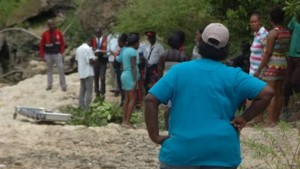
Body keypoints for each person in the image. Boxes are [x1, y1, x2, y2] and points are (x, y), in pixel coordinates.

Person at [145, 23, 273, 168]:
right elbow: (267, 93)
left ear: (200, 43)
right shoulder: (234, 75)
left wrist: (155, 136)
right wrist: (244, 118)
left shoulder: (179, 71)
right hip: (222, 154)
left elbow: (150, 100)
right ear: (226, 48)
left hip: (180, 154)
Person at [254, 7, 291, 126]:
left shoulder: (272, 33)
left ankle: (271, 120)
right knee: (279, 91)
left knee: (272, 92)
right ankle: (276, 119)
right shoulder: (286, 32)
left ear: (271, 20)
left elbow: (267, 53)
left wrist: (259, 69)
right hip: (283, 62)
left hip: (272, 64)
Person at [157, 32, 188, 129]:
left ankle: (167, 126)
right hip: (179, 81)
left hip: (167, 80)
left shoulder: (163, 55)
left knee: (167, 105)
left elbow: (160, 70)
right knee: (178, 104)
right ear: (180, 44)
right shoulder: (182, 56)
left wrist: (160, 83)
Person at [248, 13, 268, 124]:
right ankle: (255, 119)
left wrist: (260, 70)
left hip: (258, 70)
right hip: (253, 68)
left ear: (260, 22)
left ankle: (258, 119)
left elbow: (266, 53)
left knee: (257, 94)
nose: (253, 24)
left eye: (255, 21)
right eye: (251, 22)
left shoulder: (264, 34)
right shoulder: (256, 34)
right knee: (252, 94)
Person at [117, 33, 140, 128]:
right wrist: (135, 81)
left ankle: (124, 120)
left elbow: (122, 65)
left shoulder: (125, 51)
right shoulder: (133, 52)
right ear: (135, 43)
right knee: (133, 99)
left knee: (126, 99)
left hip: (124, 74)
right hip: (130, 76)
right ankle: (127, 121)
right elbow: (133, 66)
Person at [40, 19, 67, 91]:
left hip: (57, 53)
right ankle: (49, 85)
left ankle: (63, 85)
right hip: (48, 54)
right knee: (49, 70)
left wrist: (61, 51)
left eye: (52, 24)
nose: (51, 26)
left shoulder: (58, 33)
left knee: (61, 68)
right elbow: (42, 44)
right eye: (49, 24)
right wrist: (42, 54)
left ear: (54, 24)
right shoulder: (45, 34)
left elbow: (62, 43)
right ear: (48, 26)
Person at [282, 15, 300, 120]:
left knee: (295, 81)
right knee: (287, 84)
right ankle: (285, 109)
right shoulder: (295, 17)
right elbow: (289, 31)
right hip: (291, 56)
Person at [75, 39, 96, 110]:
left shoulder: (78, 49)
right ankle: (88, 108)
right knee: (89, 91)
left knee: (82, 91)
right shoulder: (88, 49)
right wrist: (96, 59)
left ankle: (81, 107)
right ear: (89, 42)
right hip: (88, 72)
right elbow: (91, 61)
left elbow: (77, 60)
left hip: (81, 72)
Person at [111, 33, 128, 106]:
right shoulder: (121, 49)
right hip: (118, 70)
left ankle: (124, 100)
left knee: (122, 86)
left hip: (121, 70)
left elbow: (119, 60)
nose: (118, 43)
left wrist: (114, 55)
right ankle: (123, 100)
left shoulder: (124, 49)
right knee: (121, 86)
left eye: (118, 41)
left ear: (122, 41)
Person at [91, 28, 109, 97]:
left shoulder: (105, 39)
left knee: (102, 77)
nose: (97, 34)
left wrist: (102, 52)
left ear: (101, 33)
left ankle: (103, 92)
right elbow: (92, 48)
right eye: (96, 33)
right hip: (96, 60)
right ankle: (96, 91)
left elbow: (107, 49)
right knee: (96, 76)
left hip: (103, 60)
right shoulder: (93, 40)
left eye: (98, 33)